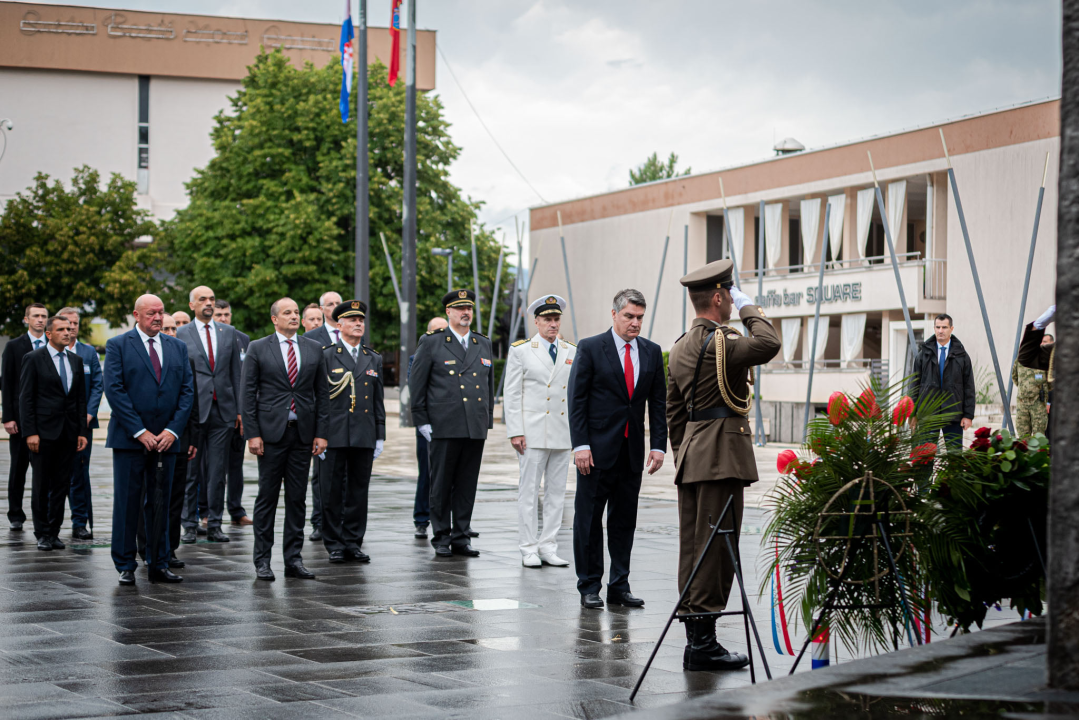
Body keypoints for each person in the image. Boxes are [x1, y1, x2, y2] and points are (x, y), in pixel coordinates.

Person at [667, 260, 781, 671]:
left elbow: (674, 411)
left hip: (695, 458)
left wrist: (685, 453)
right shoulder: (722, 344)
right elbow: (768, 343)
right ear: (718, 297)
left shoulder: (680, 346)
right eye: (730, 295)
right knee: (716, 548)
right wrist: (753, 309)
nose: (733, 301)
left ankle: (697, 639)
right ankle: (703, 645)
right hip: (722, 459)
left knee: (693, 548)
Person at [568, 288, 667, 610]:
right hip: (595, 452)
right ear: (614, 315)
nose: (634, 323)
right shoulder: (591, 348)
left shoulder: (651, 352)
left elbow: (658, 404)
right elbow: (577, 401)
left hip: (631, 453)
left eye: (639, 317)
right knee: (589, 520)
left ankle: (619, 585)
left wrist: (658, 446)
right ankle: (589, 585)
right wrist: (580, 445)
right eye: (629, 316)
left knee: (624, 521)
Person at [104, 294, 194, 585]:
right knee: (128, 503)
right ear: (136, 315)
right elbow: (115, 391)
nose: (157, 317)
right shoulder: (118, 345)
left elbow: (187, 393)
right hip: (130, 441)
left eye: (161, 312)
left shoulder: (178, 347)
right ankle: (126, 563)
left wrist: (172, 431)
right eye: (151, 313)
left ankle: (159, 562)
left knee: (161, 504)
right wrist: (140, 431)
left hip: (167, 441)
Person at [243, 297, 328, 580]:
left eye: (296, 312)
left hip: (302, 434)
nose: (293, 316)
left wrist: (321, 433)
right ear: (274, 319)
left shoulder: (314, 348)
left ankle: (293, 560)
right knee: (267, 498)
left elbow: (323, 394)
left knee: (297, 499)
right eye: (287, 312)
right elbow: (248, 394)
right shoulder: (257, 348)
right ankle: (262, 561)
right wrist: (252, 434)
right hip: (270, 435)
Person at [409, 289, 494, 558]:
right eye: (459, 308)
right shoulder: (432, 342)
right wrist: (421, 419)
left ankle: (461, 536)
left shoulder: (483, 343)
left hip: (473, 425)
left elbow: (488, 386)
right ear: (448, 312)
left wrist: (487, 419)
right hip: (444, 424)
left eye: (469, 307)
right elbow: (417, 384)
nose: (465, 312)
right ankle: (442, 536)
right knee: (441, 484)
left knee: (467, 484)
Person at [504, 295, 575, 568]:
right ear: (536, 321)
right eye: (547, 319)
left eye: (556, 319)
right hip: (531, 432)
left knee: (557, 493)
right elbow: (512, 394)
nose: (553, 324)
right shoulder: (521, 350)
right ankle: (528, 547)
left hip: (561, 431)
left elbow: (574, 395)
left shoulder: (571, 350)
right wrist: (515, 431)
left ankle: (548, 545)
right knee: (529, 492)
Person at [177, 286, 243, 544]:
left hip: (223, 411)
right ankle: (189, 525)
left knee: (218, 472)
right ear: (192, 304)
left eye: (211, 299)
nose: (208, 303)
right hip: (193, 411)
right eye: (203, 299)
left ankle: (215, 523)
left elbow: (236, 373)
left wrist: (239, 410)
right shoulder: (181, 334)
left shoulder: (229, 333)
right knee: (190, 472)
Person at [320, 300, 384, 563]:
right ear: (339, 325)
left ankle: (353, 541)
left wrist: (380, 434)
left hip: (363, 433)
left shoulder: (373, 357)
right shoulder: (326, 355)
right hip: (334, 434)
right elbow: (319, 399)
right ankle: (334, 542)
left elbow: (378, 401)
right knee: (332, 490)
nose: (358, 324)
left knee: (359, 491)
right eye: (352, 320)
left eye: (361, 320)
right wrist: (318, 433)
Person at [19, 315, 89, 551]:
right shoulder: (33, 359)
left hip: (68, 434)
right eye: (61, 329)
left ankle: (54, 531)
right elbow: (26, 399)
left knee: (62, 484)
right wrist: (30, 432)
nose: (67, 333)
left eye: (69, 329)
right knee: (41, 484)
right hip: (42, 434)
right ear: (49, 334)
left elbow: (80, 399)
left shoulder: (76, 360)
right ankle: (42, 533)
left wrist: (82, 431)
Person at [144, 313, 198, 569]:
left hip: (178, 439)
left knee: (175, 498)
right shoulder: (145, 356)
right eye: (166, 328)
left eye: (174, 329)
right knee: (148, 496)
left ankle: (170, 549)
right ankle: (146, 547)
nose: (171, 332)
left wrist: (191, 439)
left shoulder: (184, 357)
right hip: (148, 439)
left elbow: (192, 403)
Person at [56, 307, 103, 541]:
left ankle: (79, 522)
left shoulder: (88, 352)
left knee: (79, 474)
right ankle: (49, 522)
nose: (72, 327)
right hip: (55, 425)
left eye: (75, 323)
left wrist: (89, 413)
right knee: (55, 474)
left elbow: (97, 385)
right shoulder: (50, 353)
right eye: (67, 324)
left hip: (82, 425)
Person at [2, 303, 49, 531]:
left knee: (44, 472)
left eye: (43, 316)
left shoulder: (53, 344)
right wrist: (7, 418)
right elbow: (7, 383)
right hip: (19, 420)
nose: (40, 320)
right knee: (18, 469)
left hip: (47, 420)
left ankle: (43, 516)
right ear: (26, 319)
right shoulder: (13, 346)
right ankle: (15, 515)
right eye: (36, 316)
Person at [302, 291, 342, 542]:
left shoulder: (349, 330)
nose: (336, 307)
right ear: (321, 308)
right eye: (331, 304)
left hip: (346, 412)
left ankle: (342, 520)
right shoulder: (312, 337)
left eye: (339, 303)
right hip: (322, 412)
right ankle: (319, 520)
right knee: (322, 473)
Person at [910, 314, 975, 451]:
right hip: (928, 414)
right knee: (925, 457)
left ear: (951, 329)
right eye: (938, 327)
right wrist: (913, 414)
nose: (940, 330)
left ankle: (952, 474)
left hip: (953, 414)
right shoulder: (923, 355)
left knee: (954, 457)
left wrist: (968, 415)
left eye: (944, 327)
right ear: (934, 328)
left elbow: (969, 386)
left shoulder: (962, 356)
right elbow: (914, 385)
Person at [213, 299, 252, 527]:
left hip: (237, 411)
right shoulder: (208, 338)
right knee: (211, 466)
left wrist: (244, 411)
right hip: (215, 411)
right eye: (219, 314)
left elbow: (244, 378)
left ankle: (236, 510)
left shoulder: (242, 339)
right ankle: (207, 511)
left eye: (227, 314)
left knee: (236, 464)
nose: (223, 318)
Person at [409, 316, 447, 539]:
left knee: (451, 476)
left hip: (450, 424)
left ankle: (452, 520)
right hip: (429, 425)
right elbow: (417, 389)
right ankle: (422, 518)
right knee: (428, 473)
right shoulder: (419, 356)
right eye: (437, 331)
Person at [1013, 334, 1052, 437]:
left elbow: (1050, 382)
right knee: (1023, 437)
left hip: (1038, 404)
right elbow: (1015, 377)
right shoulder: (1021, 358)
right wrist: (1025, 388)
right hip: (1022, 403)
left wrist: (1038, 390)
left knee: (1039, 437)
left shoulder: (1044, 359)